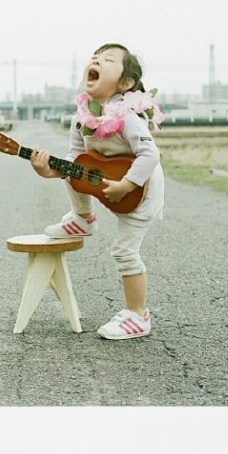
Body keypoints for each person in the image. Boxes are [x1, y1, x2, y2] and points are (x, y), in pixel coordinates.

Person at [30, 43, 165, 339]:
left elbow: (150, 155)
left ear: (126, 83)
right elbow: (71, 160)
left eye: (107, 60)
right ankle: (82, 218)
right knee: (75, 167)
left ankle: (137, 315)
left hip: (141, 189)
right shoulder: (81, 117)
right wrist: (47, 170)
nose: (96, 61)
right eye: (94, 58)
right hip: (108, 180)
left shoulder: (127, 117)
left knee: (124, 251)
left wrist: (127, 184)